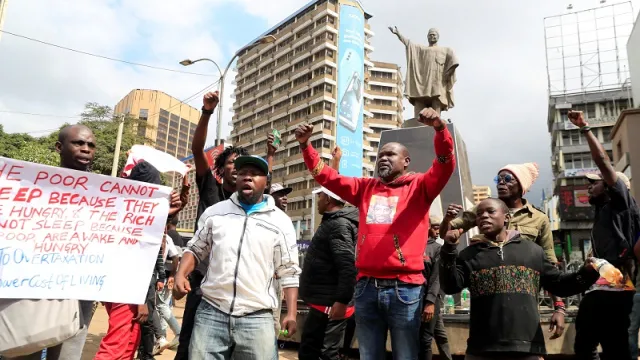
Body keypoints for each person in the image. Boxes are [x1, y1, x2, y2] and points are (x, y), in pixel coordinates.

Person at [294, 107, 456, 359]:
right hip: (366, 286)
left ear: (406, 161)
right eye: (381, 154)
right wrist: (305, 146)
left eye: (391, 154)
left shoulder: (421, 186)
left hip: (405, 288)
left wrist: (439, 128)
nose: (383, 158)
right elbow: (328, 178)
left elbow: (445, 163)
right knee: (369, 355)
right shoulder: (365, 188)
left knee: (405, 354)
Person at [439, 198, 600, 360]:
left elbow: (560, 285)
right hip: (482, 348)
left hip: (527, 347)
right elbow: (450, 286)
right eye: (479, 214)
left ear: (506, 218)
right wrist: (448, 249)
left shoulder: (532, 251)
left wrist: (587, 273)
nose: (483, 216)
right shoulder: (469, 255)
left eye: (491, 211)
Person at [174, 155, 300, 360]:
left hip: (257, 318)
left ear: (266, 181)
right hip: (211, 313)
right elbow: (195, 249)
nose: (247, 178)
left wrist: (292, 313)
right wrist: (181, 274)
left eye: (255, 174)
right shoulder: (216, 213)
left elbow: (289, 270)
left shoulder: (281, 222)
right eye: (243, 173)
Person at [440, 162, 567, 338]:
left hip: (523, 299)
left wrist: (559, 307)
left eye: (507, 179)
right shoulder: (484, 209)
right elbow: (448, 232)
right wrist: (447, 219)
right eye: (498, 179)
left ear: (521, 185)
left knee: (524, 339)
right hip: (487, 299)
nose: (501, 183)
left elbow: (551, 266)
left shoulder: (539, 219)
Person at [2, 125, 97, 360]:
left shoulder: (105, 194)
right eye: (78, 143)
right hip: (32, 292)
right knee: (24, 352)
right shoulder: (29, 186)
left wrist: (162, 215)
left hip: (79, 296)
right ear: (59, 147)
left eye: (91, 145)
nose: (86, 149)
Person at [175, 91, 249, 360]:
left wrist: (272, 155)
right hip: (201, 280)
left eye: (241, 165)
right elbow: (197, 150)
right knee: (188, 344)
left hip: (231, 284)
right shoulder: (209, 187)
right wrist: (207, 112)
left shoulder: (249, 203)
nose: (236, 168)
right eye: (231, 163)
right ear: (222, 168)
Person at [567, 110, 640, 360]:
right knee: (584, 347)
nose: (589, 185)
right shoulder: (602, 214)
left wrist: (585, 128)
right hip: (601, 290)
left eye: (595, 181)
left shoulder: (622, 203)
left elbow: (603, 162)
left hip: (618, 291)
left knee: (617, 349)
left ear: (611, 187)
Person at [94, 161, 182, 360]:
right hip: (128, 289)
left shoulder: (125, 211)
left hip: (123, 287)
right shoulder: (132, 217)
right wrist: (140, 300)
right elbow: (134, 259)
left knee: (129, 341)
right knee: (116, 344)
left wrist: (173, 208)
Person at [298, 187, 358, 360]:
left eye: (320, 196)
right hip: (323, 300)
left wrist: (341, 300)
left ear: (328, 199)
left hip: (328, 304)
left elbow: (347, 265)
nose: (318, 200)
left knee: (320, 353)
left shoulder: (338, 225)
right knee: (315, 350)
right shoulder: (333, 222)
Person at [419, 216, 452, 360]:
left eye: (439, 227)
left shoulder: (436, 248)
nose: (437, 230)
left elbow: (436, 278)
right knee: (439, 335)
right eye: (435, 227)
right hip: (418, 298)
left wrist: (430, 301)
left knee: (426, 339)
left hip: (430, 299)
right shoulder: (414, 246)